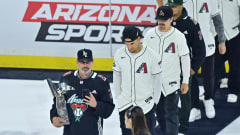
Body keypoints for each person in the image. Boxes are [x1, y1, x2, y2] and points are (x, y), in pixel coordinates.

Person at [143, 6, 190, 135]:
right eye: (159, 19)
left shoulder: (178, 36)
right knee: (160, 115)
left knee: (171, 114)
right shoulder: (150, 35)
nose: (161, 22)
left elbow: (185, 59)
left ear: (171, 19)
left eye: (164, 19)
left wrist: (185, 81)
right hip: (154, 84)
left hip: (171, 83)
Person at [50, 48, 115, 135]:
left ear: (92, 62)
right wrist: (54, 117)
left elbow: (108, 110)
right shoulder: (66, 79)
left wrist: (96, 105)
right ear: (77, 62)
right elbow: (58, 101)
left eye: (87, 62)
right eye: (82, 62)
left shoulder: (101, 82)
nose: (85, 65)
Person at [181, 0, 226, 122]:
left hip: (208, 43)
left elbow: (218, 21)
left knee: (209, 75)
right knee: (191, 76)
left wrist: (222, 41)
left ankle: (209, 100)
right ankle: (194, 107)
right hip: (187, 46)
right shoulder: (181, 2)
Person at [113, 25, 162, 135]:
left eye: (132, 43)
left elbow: (157, 81)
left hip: (146, 107)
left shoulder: (152, 56)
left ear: (139, 38)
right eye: (126, 43)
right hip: (125, 105)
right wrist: (119, 99)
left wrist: (155, 102)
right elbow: (116, 77)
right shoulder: (119, 54)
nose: (129, 47)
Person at [167, 0, 206, 134]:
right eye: (169, 6)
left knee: (184, 99)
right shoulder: (164, 21)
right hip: (166, 69)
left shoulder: (191, 24)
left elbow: (201, 51)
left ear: (181, 6)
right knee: (163, 97)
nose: (171, 9)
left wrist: (192, 68)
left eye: (174, 6)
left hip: (184, 69)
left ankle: (182, 128)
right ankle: (164, 123)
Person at [214, 0, 240, 103]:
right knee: (213, 65)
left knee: (235, 64)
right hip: (215, 34)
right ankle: (210, 93)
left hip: (234, 32)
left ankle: (233, 91)